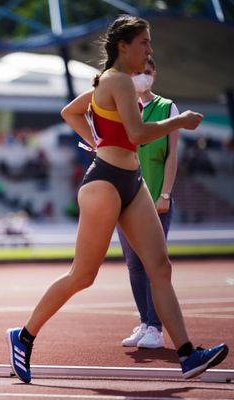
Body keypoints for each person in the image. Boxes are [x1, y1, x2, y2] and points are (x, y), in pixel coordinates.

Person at [6, 15, 228, 383]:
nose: (150, 50)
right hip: (104, 183)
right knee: (83, 275)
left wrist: (97, 141)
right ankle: (24, 336)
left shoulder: (110, 82)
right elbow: (139, 133)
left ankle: (188, 354)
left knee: (160, 267)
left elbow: (72, 112)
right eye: (144, 43)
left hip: (132, 180)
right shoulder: (115, 80)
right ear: (123, 46)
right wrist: (179, 121)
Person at [119, 57, 179, 349]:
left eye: (147, 72)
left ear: (155, 74)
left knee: (154, 264)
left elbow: (171, 155)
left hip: (156, 198)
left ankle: (156, 328)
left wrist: (165, 194)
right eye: (136, 73)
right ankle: (145, 323)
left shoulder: (168, 108)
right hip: (125, 199)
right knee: (133, 265)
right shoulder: (123, 109)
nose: (142, 77)